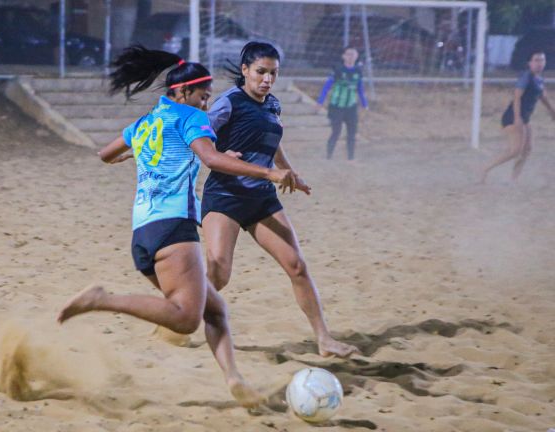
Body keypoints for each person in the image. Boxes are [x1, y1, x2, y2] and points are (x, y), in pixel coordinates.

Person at [56, 45, 298, 407]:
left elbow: (104, 155)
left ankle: (235, 380)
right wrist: (269, 171)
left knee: (214, 310)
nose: (207, 103)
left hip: (143, 235)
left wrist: (135, 152)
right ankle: (101, 300)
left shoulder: (146, 122)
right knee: (186, 320)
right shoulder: (190, 117)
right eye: (204, 96)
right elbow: (211, 158)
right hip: (174, 230)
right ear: (183, 92)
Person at [201, 42, 359, 358]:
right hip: (225, 197)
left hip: (261, 199)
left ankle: (324, 340)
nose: (267, 79)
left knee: (296, 266)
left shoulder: (272, 105)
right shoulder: (228, 102)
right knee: (219, 271)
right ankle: (177, 312)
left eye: (273, 73)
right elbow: (200, 137)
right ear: (245, 70)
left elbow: (272, 143)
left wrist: (289, 172)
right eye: (261, 72)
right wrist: (219, 152)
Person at [480, 51, 555, 183]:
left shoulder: (539, 79)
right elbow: (517, 98)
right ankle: (485, 169)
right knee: (515, 151)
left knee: (527, 150)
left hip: (525, 118)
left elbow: (543, 97)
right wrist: (517, 118)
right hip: (513, 117)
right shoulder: (526, 77)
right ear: (529, 63)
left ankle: (513, 180)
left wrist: (551, 111)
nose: (540, 63)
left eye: (542, 60)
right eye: (536, 60)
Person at [317, 46, 368, 160]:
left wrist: (365, 104)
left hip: (351, 107)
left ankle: (351, 158)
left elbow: (360, 88)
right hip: (336, 107)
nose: (351, 57)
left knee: (352, 133)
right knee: (336, 132)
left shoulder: (358, 71)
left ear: (357, 56)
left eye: (353, 54)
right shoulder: (338, 70)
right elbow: (327, 86)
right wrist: (320, 101)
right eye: (348, 54)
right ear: (343, 56)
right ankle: (328, 157)